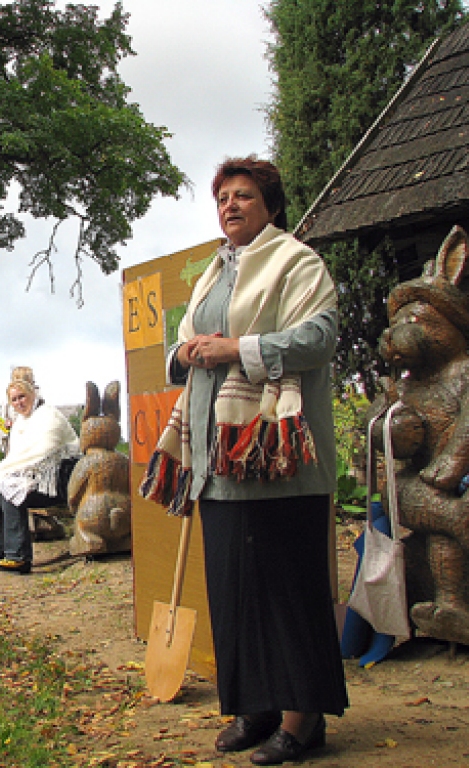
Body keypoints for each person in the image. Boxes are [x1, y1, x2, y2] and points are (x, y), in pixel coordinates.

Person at [141, 156, 346, 765]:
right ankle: (255, 707)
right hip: (218, 460)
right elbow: (180, 348)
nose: (231, 205)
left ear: (271, 206)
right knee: (235, 592)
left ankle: (302, 718)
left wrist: (240, 348)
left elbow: (321, 336)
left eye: (245, 196)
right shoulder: (212, 275)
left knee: (286, 588)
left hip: (276, 459)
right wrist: (187, 350)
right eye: (223, 197)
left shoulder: (295, 261)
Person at [0, 368, 79, 573]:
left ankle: (19, 557)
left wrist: (13, 474)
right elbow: (16, 456)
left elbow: (44, 451)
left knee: (10, 490)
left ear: (32, 394)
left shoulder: (49, 415)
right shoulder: (21, 421)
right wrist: (5, 473)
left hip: (57, 479)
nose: (19, 403)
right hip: (32, 476)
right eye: (14, 400)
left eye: (22, 397)